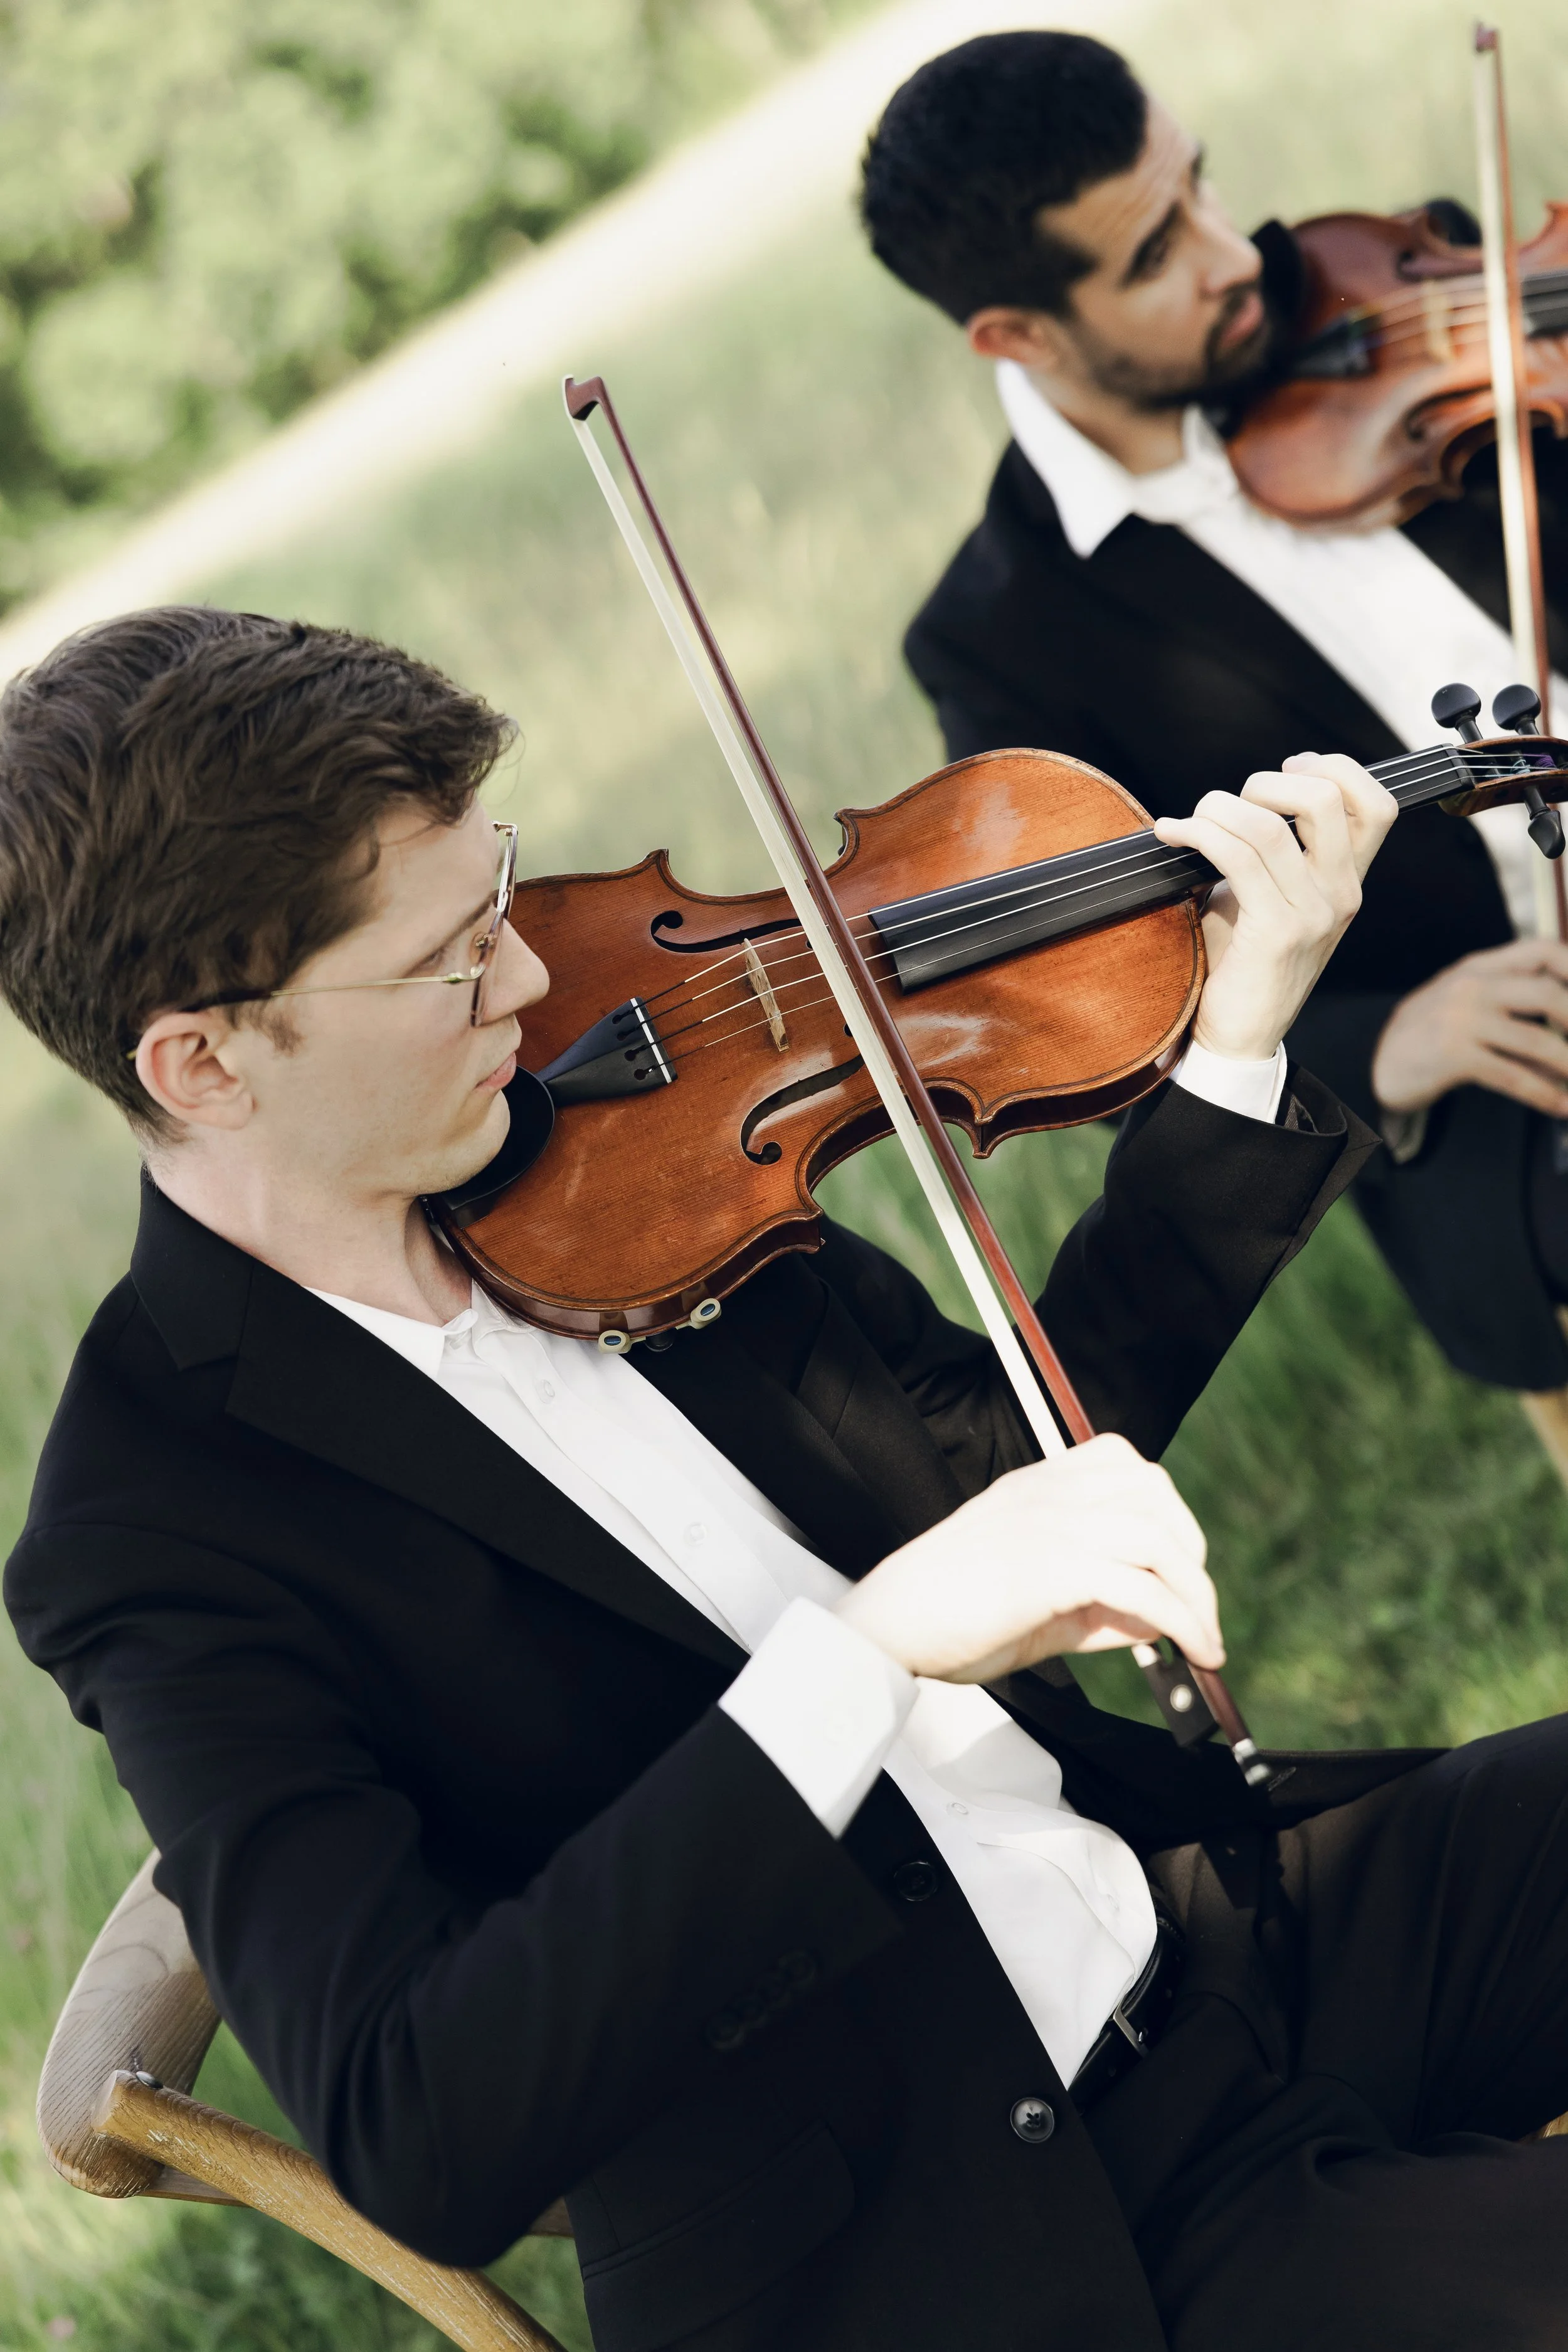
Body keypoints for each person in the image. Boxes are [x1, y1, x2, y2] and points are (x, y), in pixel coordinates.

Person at [6, 605, 1565, 2352]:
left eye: (502, 900)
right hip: (987, 2236)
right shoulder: (158, 1528)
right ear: (201, 1060)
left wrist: (1238, 1040)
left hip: (1206, 1943)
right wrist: (864, 1651)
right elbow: (421, 2120)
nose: (527, 983)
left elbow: (990, 1466)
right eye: (448, 963)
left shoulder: (605, 1149)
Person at [862, 29, 1568, 1399]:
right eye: (1149, 255)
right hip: (1512, 1071)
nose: (1233, 254)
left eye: (1196, 186)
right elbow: (1116, 1008)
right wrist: (1383, 1041)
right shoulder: (1004, 640)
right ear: (1015, 336)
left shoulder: (1401, 296)